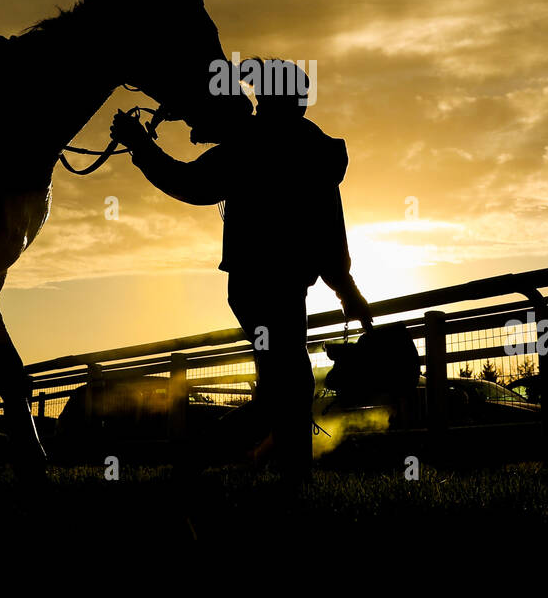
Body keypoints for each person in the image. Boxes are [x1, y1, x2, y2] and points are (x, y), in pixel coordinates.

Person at [110, 58, 373, 480]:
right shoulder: (313, 149)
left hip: (252, 284)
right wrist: (348, 293)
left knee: (282, 387)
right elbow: (328, 235)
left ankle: (207, 464)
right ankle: (275, 475)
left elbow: (189, 183)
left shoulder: (248, 143)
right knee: (289, 385)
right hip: (286, 286)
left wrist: (139, 146)